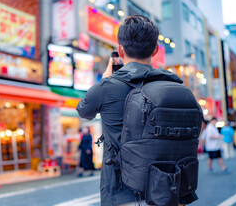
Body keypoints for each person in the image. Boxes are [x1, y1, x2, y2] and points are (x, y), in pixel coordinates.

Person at [77, 15, 195, 206]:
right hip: (171, 191)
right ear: (156, 49)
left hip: (122, 194)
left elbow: (84, 110)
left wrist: (106, 78)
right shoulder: (174, 84)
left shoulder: (107, 87)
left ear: (120, 50)